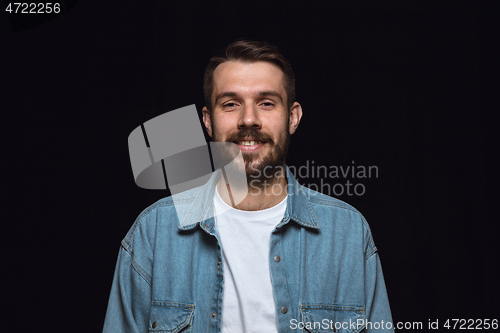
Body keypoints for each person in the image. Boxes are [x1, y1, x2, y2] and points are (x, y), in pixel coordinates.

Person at [103, 40, 394, 333]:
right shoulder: (153, 232)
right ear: (207, 120)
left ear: (292, 117)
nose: (249, 119)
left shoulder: (348, 233)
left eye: (266, 103)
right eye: (230, 104)